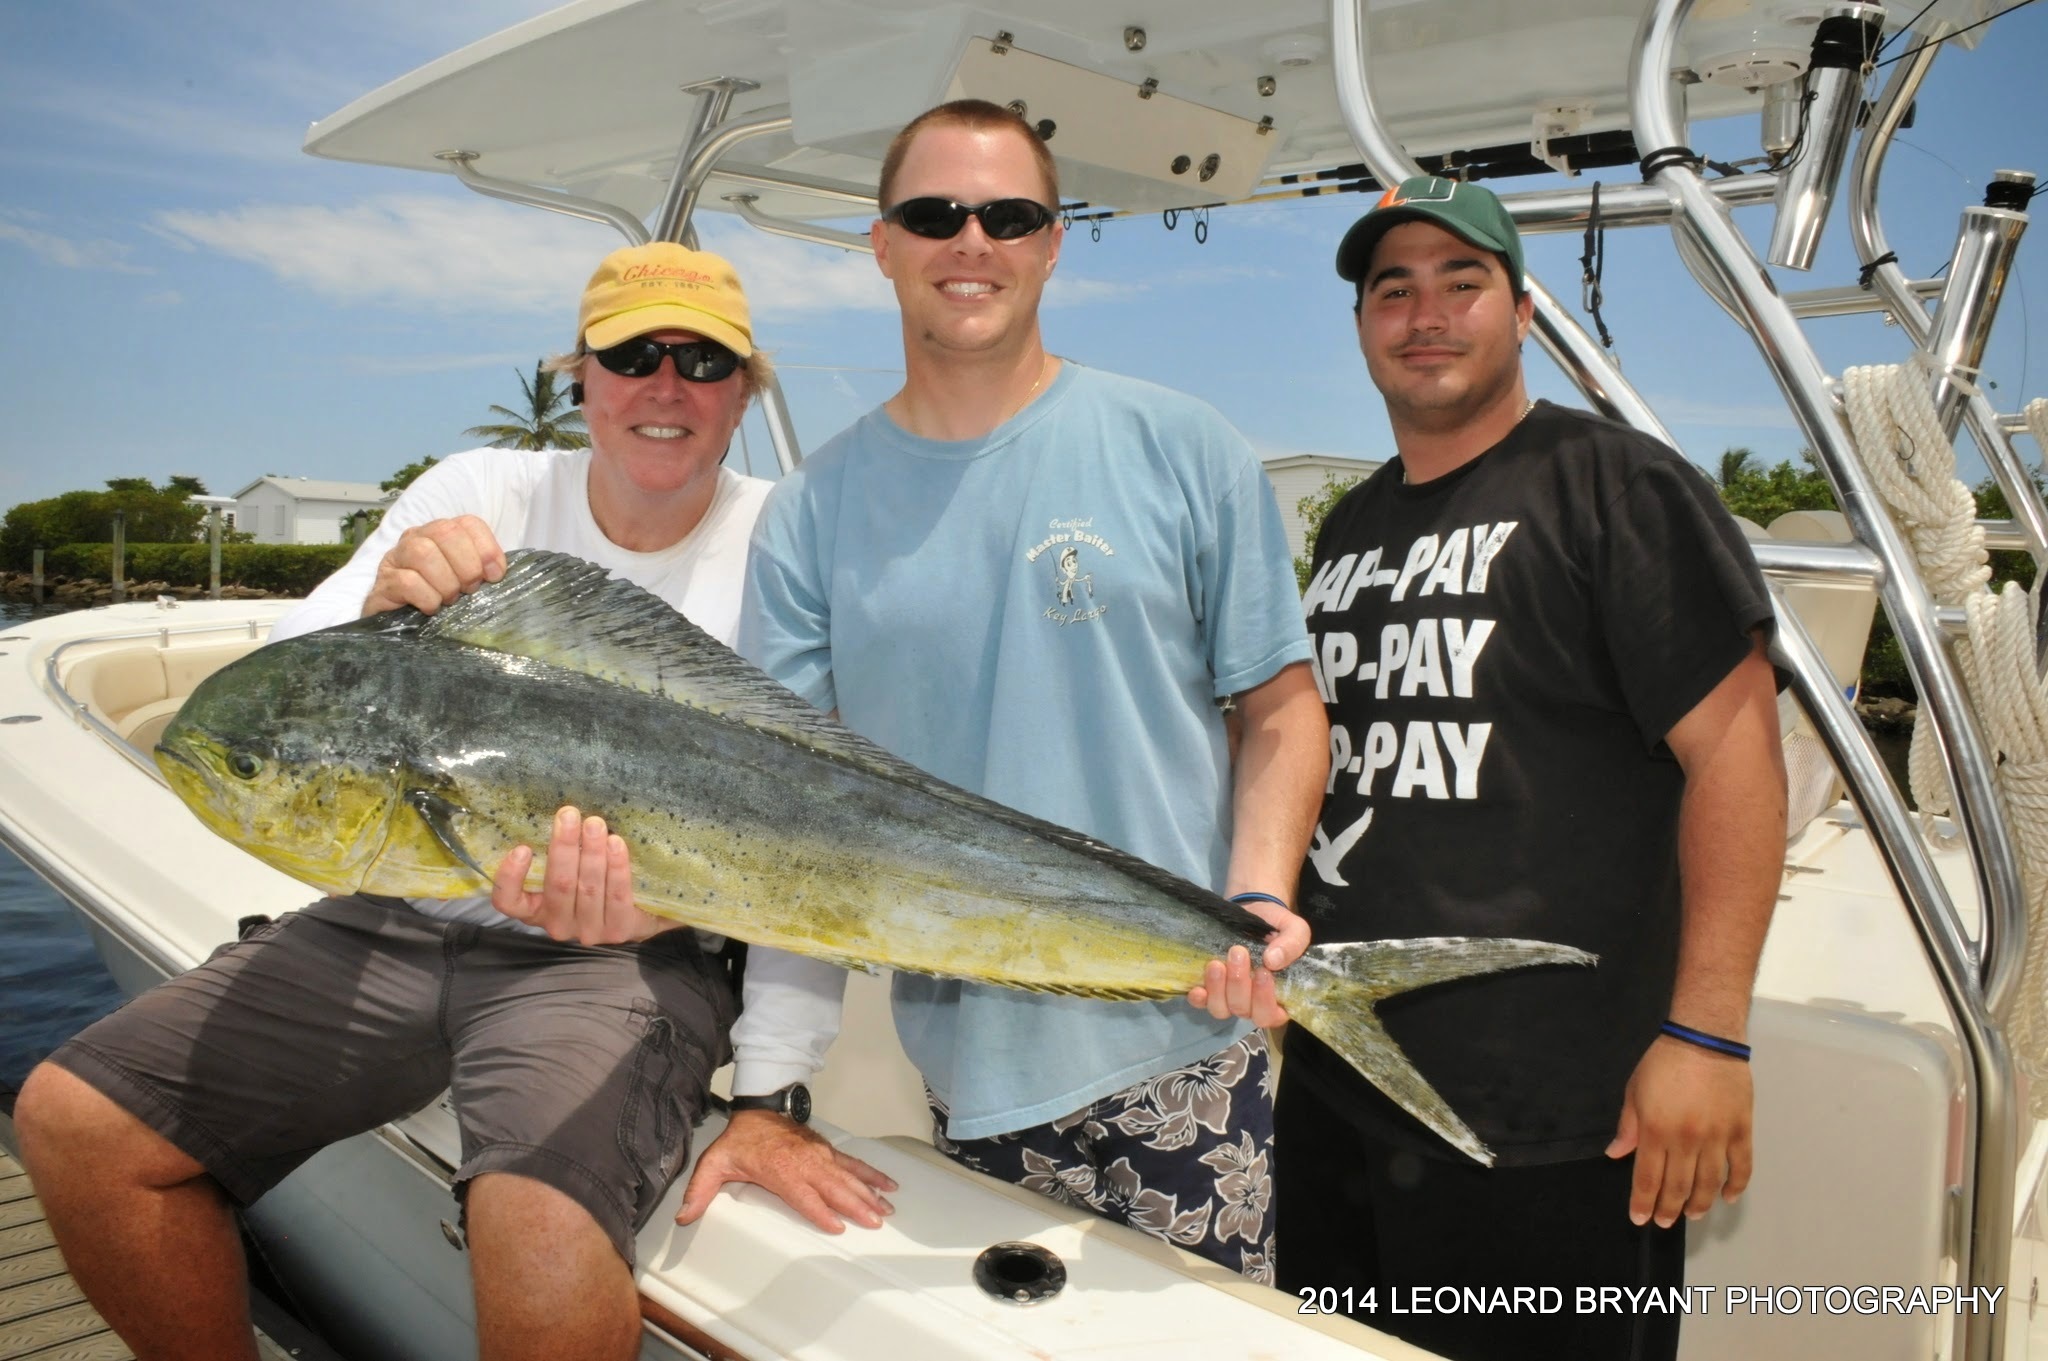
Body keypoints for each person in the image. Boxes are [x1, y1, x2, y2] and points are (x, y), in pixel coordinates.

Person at [14, 241, 775, 1361]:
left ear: (744, 391)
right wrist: (378, 601)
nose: (666, 385)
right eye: (631, 356)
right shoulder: (478, 490)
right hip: (394, 916)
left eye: (703, 361)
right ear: (581, 380)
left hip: (616, 956)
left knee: (540, 1238)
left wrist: (773, 1093)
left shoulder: (787, 541)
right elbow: (284, 676)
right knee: (74, 1123)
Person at [663, 99, 1327, 1282]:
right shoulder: (810, 513)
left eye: (1007, 215)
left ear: (1052, 242)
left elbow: (1278, 707)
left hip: (1187, 1046)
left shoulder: (1186, 447)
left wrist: (1258, 894)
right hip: (959, 1079)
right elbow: (791, 831)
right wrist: (764, 1094)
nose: (970, 241)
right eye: (933, 214)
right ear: (882, 244)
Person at [1276, 174, 1786, 1359]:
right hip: (1346, 1082)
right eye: (1391, 290)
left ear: (1520, 311)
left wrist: (1707, 1035)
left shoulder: (1617, 485)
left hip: (1550, 1120)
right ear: (1360, 325)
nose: (1424, 314)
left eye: (1461, 283)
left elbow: (1737, 757)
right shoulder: (1352, 523)